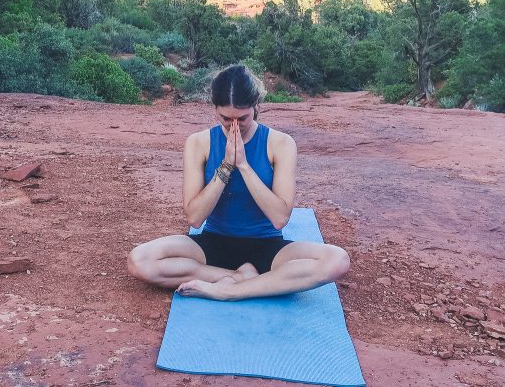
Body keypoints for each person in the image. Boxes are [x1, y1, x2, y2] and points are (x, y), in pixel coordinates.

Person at [127, 64, 350, 300]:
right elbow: (194, 217)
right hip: (213, 243)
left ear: (256, 107)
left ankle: (231, 291)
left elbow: (279, 218)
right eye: (226, 118)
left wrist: (243, 165)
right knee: (140, 260)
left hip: (266, 246)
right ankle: (237, 277)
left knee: (337, 260)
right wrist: (225, 165)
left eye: (242, 118)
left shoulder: (281, 144)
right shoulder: (198, 143)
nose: (234, 125)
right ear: (215, 110)